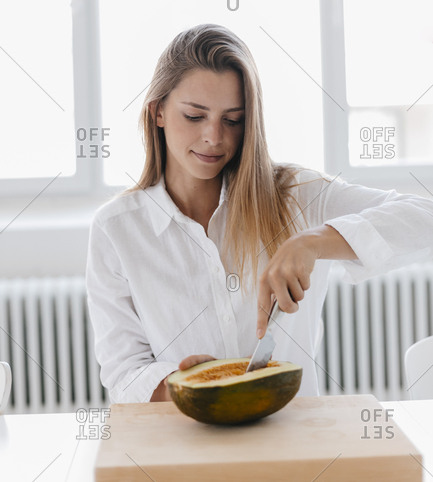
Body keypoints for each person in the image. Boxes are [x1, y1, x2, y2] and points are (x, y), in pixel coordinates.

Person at [86, 23, 433, 403]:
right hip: (183, 440)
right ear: (158, 113)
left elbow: (424, 215)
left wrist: (315, 241)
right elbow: (122, 370)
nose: (214, 137)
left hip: (293, 440)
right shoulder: (115, 228)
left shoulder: (298, 195)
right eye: (195, 116)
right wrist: (176, 384)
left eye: (232, 120)